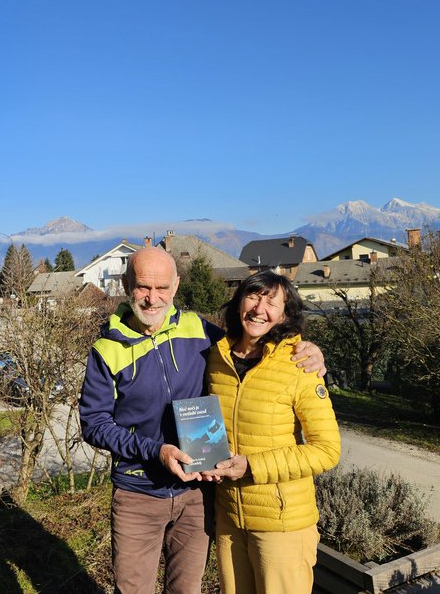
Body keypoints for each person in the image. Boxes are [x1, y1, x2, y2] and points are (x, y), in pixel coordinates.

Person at [79, 247, 326, 594]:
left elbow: (252, 343)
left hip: (197, 492)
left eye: (162, 287)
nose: (153, 299)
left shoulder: (201, 332)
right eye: (143, 288)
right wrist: (155, 451)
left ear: (176, 285)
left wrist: (309, 350)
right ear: (126, 284)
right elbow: (94, 423)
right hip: (138, 493)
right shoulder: (107, 349)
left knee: (187, 590)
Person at [201, 271, 341, 594]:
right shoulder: (216, 358)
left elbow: (327, 450)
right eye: (253, 296)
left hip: (281, 525)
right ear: (239, 303)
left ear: (285, 314)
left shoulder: (299, 363)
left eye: (272, 302)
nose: (259, 308)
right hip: (230, 520)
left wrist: (252, 466)